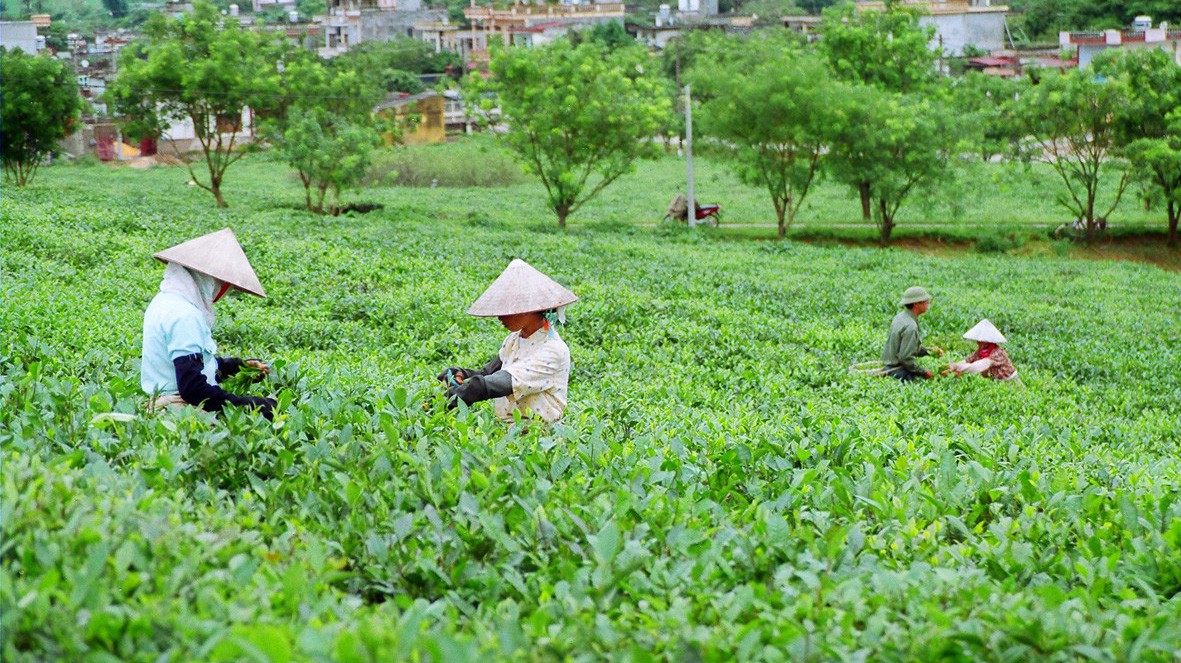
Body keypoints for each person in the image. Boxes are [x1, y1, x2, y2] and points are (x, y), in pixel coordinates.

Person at [141, 228, 277, 419]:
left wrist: (238, 367)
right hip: (178, 410)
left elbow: (191, 365)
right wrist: (251, 405)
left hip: (163, 405)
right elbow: (192, 388)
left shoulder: (163, 302)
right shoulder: (184, 315)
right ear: (206, 279)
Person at [438, 259, 577, 423]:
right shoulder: (514, 339)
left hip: (537, 439)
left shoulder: (553, 350)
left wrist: (447, 401)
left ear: (533, 308)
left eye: (509, 309)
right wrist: (462, 374)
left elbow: (498, 383)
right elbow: (487, 374)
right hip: (505, 432)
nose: (500, 316)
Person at [881, 286, 944, 381]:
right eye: (925, 301)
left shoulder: (900, 317)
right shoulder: (910, 326)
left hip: (889, 367)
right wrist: (923, 372)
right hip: (898, 372)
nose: (928, 303)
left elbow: (907, 347)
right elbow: (905, 357)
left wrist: (929, 351)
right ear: (916, 304)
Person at [942, 319, 1021, 384]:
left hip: (1011, 383)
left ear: (987, 341)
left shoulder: (997, 352)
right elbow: (968, 360)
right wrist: (952, 366)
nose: (977, 342)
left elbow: (980, 366)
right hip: (997, 383)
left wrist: (957, 367)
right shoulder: (981, 351)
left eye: (980, 341)